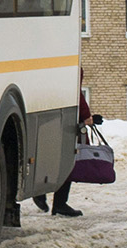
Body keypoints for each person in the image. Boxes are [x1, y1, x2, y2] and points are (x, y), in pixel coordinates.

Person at [35, 76, 100, 217]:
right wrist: (86, 115)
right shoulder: (71, 60)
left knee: (48, 155)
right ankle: (59, 203)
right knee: (67, 160)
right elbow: (74, 90)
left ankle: (40, 191)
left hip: (47, 112)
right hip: (67, 120)